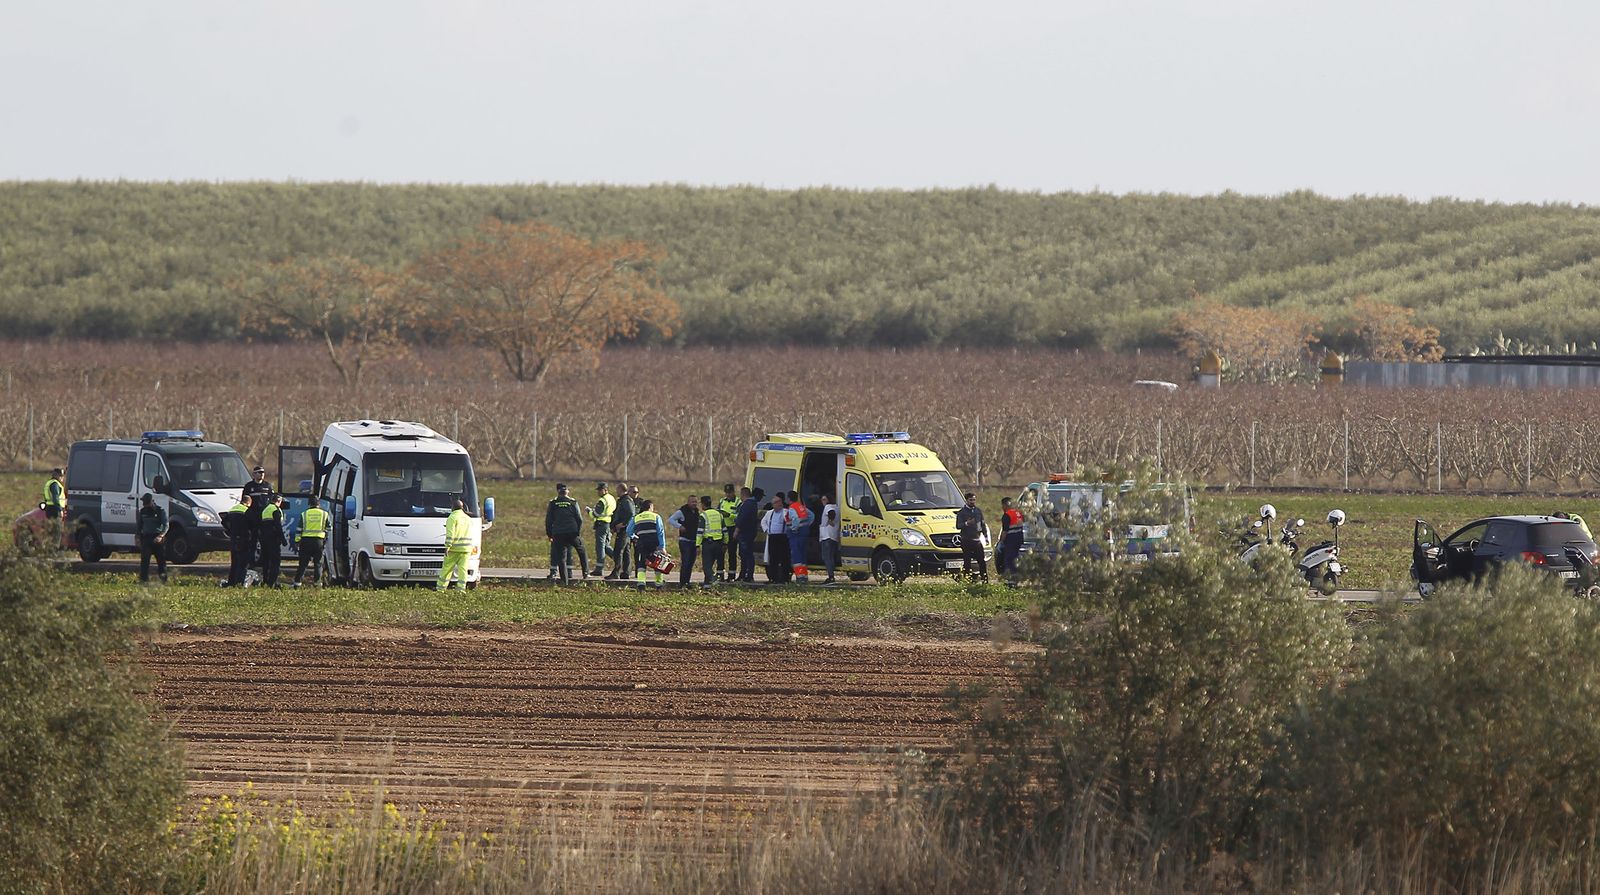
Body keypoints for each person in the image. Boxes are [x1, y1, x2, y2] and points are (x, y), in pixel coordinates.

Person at [545, 483, 585, 584]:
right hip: (572, 532)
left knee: (561, 558)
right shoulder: (573, 502)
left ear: (558, 492)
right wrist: (578, 532)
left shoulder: (553, 503)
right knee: (581, 551)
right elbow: (579, 519)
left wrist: (550, 535)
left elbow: (548, 520)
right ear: (567, 492)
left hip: (558, 533)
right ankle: (585, 572)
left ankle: (564, 581)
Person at [628, 499, 666, 590]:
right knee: (657, 563)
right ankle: (659, 584)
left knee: (641, 563)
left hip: (642, 544)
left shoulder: (636, 517)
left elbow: (629, 531)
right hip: (654, 544)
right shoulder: (656, 516)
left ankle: (641, 584)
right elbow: (660, 532)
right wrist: (662, 546)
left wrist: (635, 538)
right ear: (650, 507)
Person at [437, 499, 473, 591]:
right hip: (466, 549)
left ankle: (441, 588)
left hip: (454, 548)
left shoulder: (452, 518)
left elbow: (450, 534)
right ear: (462, 507)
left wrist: (447, 546)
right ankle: (461, 589)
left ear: (452, 507)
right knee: (463, 570)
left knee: (447, 569)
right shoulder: (468, 518)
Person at [293, 499, 330, 587]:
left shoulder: (304, 514)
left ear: (309, 504)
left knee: (303, 564)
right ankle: (317, 583)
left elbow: (299, 530)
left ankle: (297, 583)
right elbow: (329, 528)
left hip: (306, 541)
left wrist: (297, 541)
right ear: (319, 504)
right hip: (319, 541)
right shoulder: (324, 514)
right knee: (318, 564)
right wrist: (325, 535)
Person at [668, 494, 701, 587]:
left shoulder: (696, 512)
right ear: (688, 502)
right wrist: (680, 526)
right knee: (685, 562)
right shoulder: (682, 511)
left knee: (691, 563)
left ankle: (687, 582)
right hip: (685, 540)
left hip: (693, 541)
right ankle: (682, 583)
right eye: (692, 502)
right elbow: (671, 519)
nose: (694, 503)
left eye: (696, 502)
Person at [955, 492, 988, 581]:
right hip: (966, 539)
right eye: (971, 500)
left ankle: (984, 578)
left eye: (974, 500)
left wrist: (985, 537)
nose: (973, 502)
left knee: (981, 560)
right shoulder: (962, 512)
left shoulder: (978, 511)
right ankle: (967, 578)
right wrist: (966, 523)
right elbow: (958, 525)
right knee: (967, 561)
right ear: (966, 501)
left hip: (977, 539)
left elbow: (982, 524)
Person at [221, 494, 253, 587]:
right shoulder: (247, 510)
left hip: (234, 538)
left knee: (234, 562)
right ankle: (239, 583)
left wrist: (230, 530)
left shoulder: (232, 509)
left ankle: (231, 582)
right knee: (243, 562)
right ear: (248, 503)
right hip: (244, 538)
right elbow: (252, 524)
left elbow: (223, 522)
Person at [136, 493, 168, 584]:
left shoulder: (160, 511)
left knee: (161, 561)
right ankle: (143, 580)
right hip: (146, 538)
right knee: (144, 561)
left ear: (152, 502)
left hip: (157, 538)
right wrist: (137, 537)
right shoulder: (142, 511)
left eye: (146, 502)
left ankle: (163, 580)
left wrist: (161, 536)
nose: (144, 504)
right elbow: (139, 526)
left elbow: (166, 525)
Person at [258, 496, 287, 587]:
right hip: (273, 539)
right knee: (275, 561)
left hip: (264, 539)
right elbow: (278, 526)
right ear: (278, 501)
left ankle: (265, 580)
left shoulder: (265, 510)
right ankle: (272, 582)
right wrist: (283, 539)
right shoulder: (275, 510)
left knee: (266, 560)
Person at [609, 482, 635, 579]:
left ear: (620, 490)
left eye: (617, 490)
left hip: (624, 530)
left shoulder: (626, 500)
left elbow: (630, 513)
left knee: (618, 551)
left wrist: (623, 524)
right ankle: (626, 572)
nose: (616, 491)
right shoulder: (623, 500)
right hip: (625, 529)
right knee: (626, 551)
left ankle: (616, 571)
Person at [588, 482, 616, 577]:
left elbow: (596, 514)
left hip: (601, 525)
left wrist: (589, 512)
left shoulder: (602, 500)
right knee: (606, 546)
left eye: (600, 490)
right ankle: (619, 561)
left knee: (600, 547)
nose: (598, 492)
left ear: (605, 490)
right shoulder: (612, 498)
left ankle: (599, 569)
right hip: (608, 524)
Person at [763, 494, 791, 584]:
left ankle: (784, 578)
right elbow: (763, 522)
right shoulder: (769, 513)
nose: (776, 505)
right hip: (772, 537)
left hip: (783, 537)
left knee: (784, 558)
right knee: (773, 558)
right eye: (774, 503)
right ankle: (773, 578)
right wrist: (767, 529)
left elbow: (790, 522)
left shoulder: (786, 512)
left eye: (778, 502)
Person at [699, 495, 726, 586]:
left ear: (703, 504)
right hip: (719, 543)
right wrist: (725, 543)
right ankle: (707, 585)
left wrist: (697, 545)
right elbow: (724, 530)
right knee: (710, 565)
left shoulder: (703, 515)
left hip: (708, 543)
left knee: (706, 566)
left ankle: (713, 579)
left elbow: (699, 532)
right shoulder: (719, 514)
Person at [785, 490, 812, 583]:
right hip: (804, 534)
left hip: (796, 535)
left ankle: (800, 577)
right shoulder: (801, 507)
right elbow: (812, 516)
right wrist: (807, 524)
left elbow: (795, 518)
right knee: (803, 556)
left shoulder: (792, 508)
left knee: (797, 557)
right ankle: (804, 576)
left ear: (788, 499)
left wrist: (794, 528)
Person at [735, 486, 760, 583]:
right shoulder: (753, 504)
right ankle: (747, 574)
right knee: (747, 554)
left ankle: (746, 575)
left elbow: (742, 519)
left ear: (743, 494)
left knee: (745, 554)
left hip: (745, 533)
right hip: (750, 532)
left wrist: (736, 530)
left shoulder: (747, 505)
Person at [998, 496, 1025, 583]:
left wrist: (1001, 542)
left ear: (1005, 505)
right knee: (1015, 558)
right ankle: (1016, 578)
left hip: (1011, 540)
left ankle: (1011, 580)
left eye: (1002, 505)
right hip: (1019, 539)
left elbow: (1005, 531)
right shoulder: (1018, 513)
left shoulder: (1007, 515)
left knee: (1009, 559)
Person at [718, 484, 741, 582]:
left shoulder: (738, 502)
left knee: (732, 552)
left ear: (733, 492)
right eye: (726, 493)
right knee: (721, 552)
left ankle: (731, 575)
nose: (728, 495)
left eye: (730, 493)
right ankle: (720, 574)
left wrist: (729, 515)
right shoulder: (722, 501)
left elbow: (739, 516)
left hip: (732, 528)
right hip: (723, 528)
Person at [818, 495, 840, 584]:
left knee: (826, 557)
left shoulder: (828, 507)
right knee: (831, 556)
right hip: (834, 535)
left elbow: (831, 513)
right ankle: (831, 575)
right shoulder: (837, 507)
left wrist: (830, 520)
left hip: (827, 536)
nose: (822, 501)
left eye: (824, 499)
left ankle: (831, 576)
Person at [42, 467, 65, 550]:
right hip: (55, 510)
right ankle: (54, 549)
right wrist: (60, 510)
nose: (62, 478)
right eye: (61, 476)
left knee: (51, 531)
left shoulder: (49, 483)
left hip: (49, 509)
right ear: (57, 476)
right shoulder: (55, 484)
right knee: (57, 531)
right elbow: (56, 499)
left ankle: (49, 549)